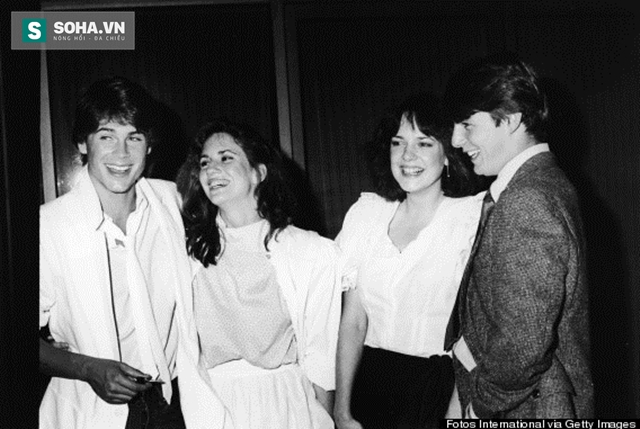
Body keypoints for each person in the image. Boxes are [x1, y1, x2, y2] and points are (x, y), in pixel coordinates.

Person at [39, 76, 200, 428]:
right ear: (83, 143)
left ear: (150, 145)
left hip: (171, 405)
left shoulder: (171, 202)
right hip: (90, 408)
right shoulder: (49, 226)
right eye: (106, 136)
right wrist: (88, 368)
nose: (122, 155)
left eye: (134, 137)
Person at [442, 52, 594, 418]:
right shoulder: (540, 183)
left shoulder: (527, 201)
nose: (456, 140)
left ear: (509, 121)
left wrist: (478, 408)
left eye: (466, 125)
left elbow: (523, 346)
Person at [174, 118, 341, 429]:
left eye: (226, 158)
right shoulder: (185, 253)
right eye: (205, 162)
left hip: (284, 403)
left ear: (258, 172)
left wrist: (325, 420)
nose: (211, 170)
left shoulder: (310, 252)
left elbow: (321, 357)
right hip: (209, 403)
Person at [333, 93, 484, 429]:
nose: (407, 155)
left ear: (448, 154)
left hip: (438, 389)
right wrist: (341, 411)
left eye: (424, 143)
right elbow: (353, 323)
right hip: (369, 385)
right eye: (397, 142)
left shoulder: (470, 219)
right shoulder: (366, 216)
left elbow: (476, 333)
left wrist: (456, 412)